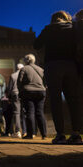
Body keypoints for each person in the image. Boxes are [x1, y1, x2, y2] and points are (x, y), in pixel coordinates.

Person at [34, 11, 82, 144]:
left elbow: (36, 45)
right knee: (73, 100)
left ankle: (60, 135)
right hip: (70, 65)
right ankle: (76, 134)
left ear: (53, 20)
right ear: (67, 18)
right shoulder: (73, 28)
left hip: (53, 66)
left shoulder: (48, 29)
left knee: (55, 100)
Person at [17, 54, 47, 140]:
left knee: (30, 112)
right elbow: (45, 81)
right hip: (41, 92)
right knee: (40, 113)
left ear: (26, 61)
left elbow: (19, 82)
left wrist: (20, 91)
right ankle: (44, 134)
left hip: (28, 92)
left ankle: (30, 134)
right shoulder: (41, 69)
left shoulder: (24, 69)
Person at [7, 63, 24, 138]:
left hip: (15, 94)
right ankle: (26, 131)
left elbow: (10, 87)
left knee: (17, 113)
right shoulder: (25, 74)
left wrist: (9, 97)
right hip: (24, 94)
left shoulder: (13, 75)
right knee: (24, 113)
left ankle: (17, 131)